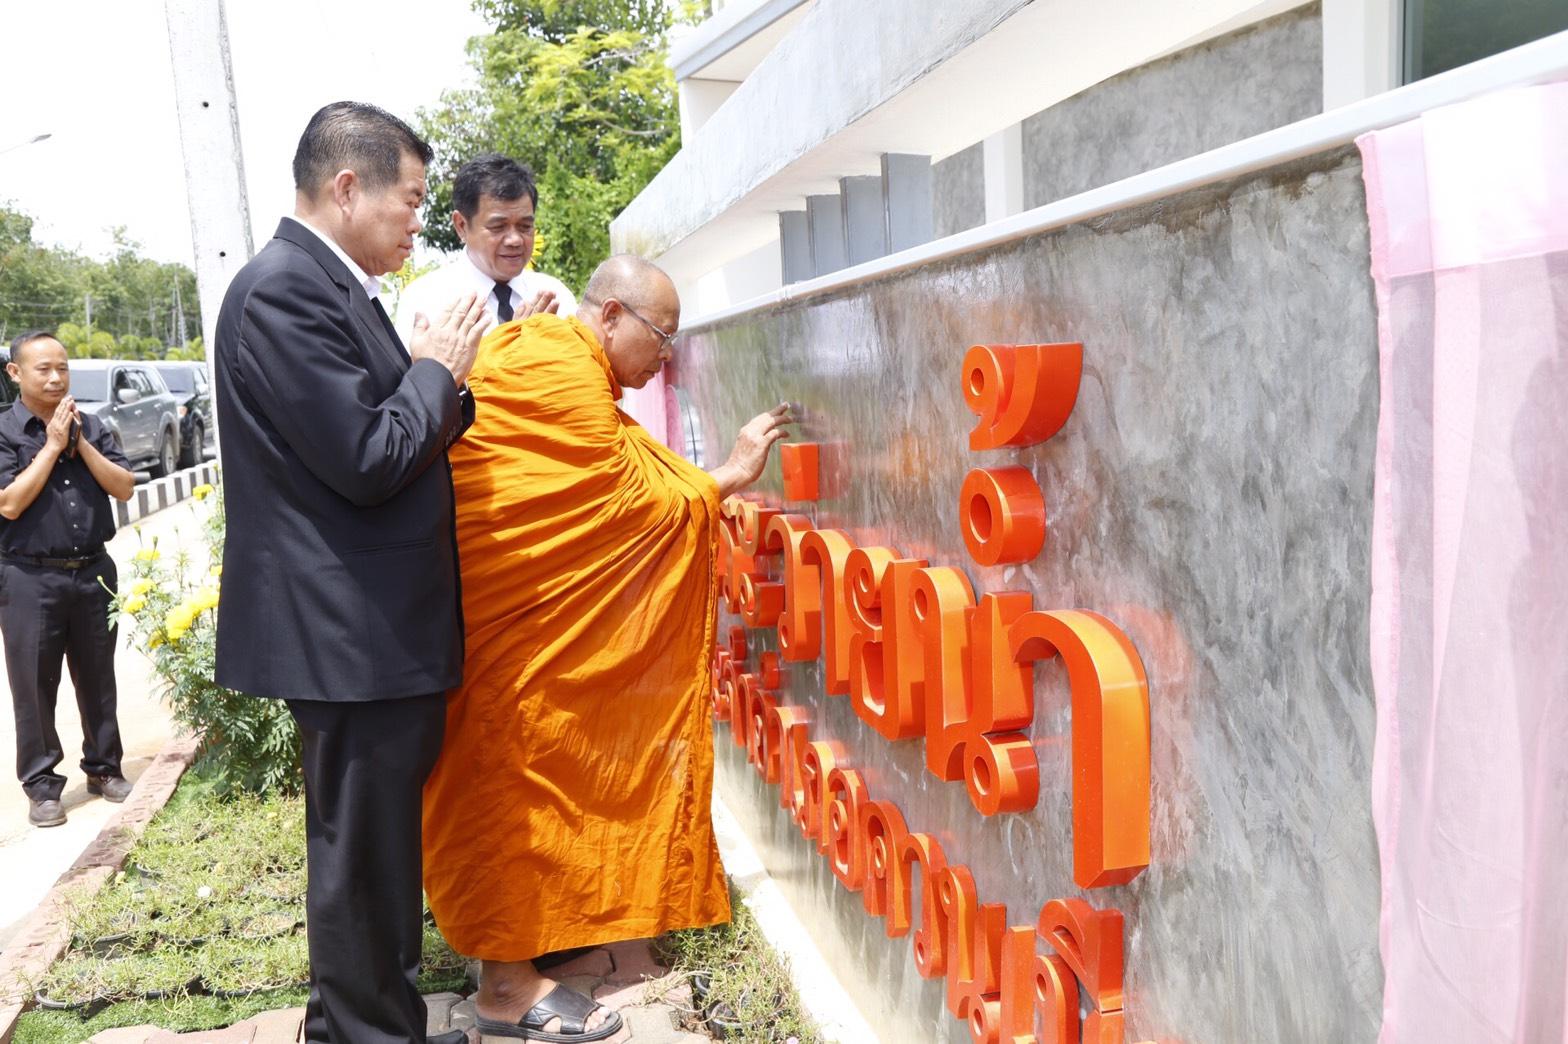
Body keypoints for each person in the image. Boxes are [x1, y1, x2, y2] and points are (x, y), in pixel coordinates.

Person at [422, 255, 789, 1041]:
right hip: (508, 634)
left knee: (543, 780)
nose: (667, 355)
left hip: (512, 616)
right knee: (512, 789)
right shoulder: (562, 370)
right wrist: (730, 474)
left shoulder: (550, 353)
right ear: (613, 315)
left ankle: (539, 943)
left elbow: (610, 488)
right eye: (662, 334)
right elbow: (632, 504)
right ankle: (505, 988)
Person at [213, 101, 490, 1044]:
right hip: (348, 633)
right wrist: (436, 370)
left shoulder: (335, 287)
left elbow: (394, 423)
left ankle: (357, 1025)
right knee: (364, 865)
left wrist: (445, 377)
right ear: (346, 188)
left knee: (372, 857)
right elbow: (371, 457)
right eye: (410, 200)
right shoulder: (284, 292)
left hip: (370, 629)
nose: (419, 221)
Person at [0, 331, 135, 829]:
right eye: (44, 369)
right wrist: (53, 447)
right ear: (16, 372)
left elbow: (124, 486)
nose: (56, 377)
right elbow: (9, 503)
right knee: (34, 686)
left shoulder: (91, 425)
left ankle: (105, 768)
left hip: (93, 571)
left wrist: (81, 444)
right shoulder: (4, 432)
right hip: (28, 577)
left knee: (99, 678)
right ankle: (41, 786)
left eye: (63, 368)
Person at [394, 153, 575, 348]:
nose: (514, 240)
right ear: (461, 225)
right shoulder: (427, 302)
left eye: (525, 227)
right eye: (498, 227)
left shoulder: (555, 298)